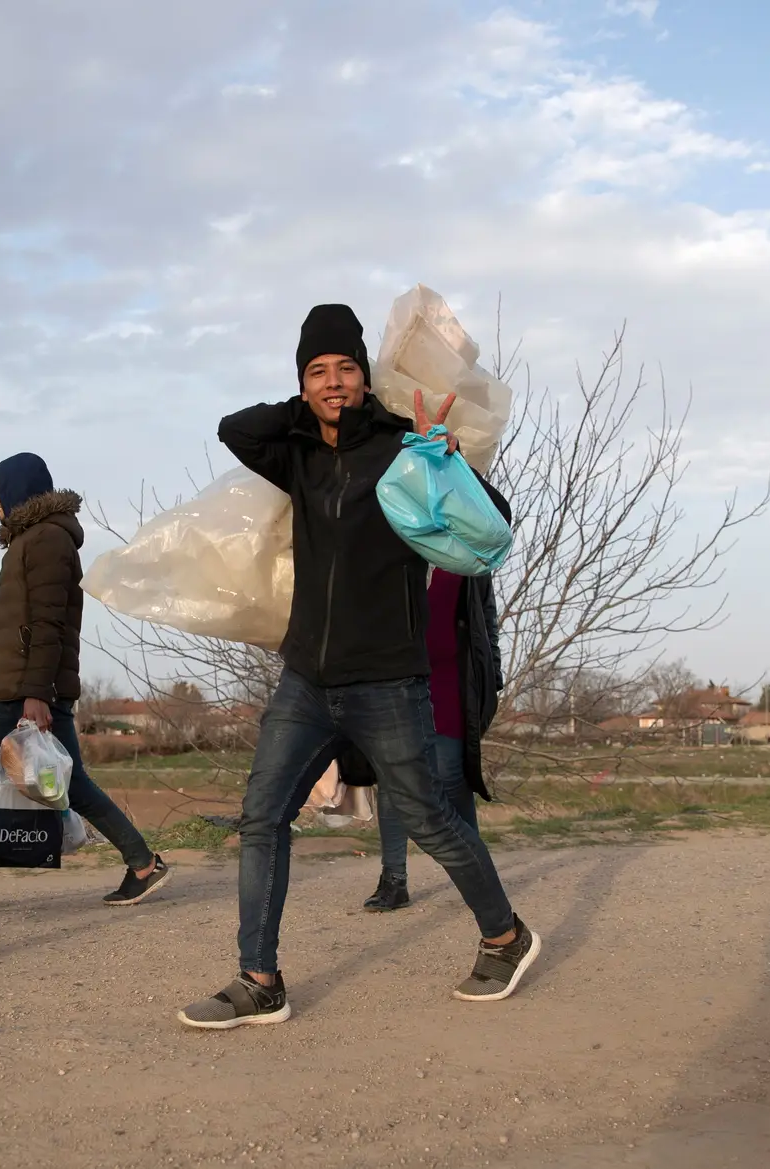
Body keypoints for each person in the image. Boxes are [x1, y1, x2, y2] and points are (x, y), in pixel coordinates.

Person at [177, 303, 538, 1030]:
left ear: (366, 374)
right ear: (303, 380)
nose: (334, 382)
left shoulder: (404, 444)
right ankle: (260, 978)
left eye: (346, 368)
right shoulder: (299, 451)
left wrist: (447, 457)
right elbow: (235, 429)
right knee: (262, 816)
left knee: (432, 820)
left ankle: (506, 935)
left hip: (387, 678)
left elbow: (494, 517)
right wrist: (308, 408)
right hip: (307, 676)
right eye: (318, 371)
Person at [0, 452, 170, 913]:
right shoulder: (35, 539)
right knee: (73, 783)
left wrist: (35, 694)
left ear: (21, 488)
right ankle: (144, 864)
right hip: (24, 685)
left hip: (23, 690)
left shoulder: (47, 539)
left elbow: (47, 625)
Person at [358, 551, 509, 912]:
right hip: (398, 678)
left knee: (451, 777)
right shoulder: (394, 542)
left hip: (450, 682)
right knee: (393, 779)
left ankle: (476, 875)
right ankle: (394, 880)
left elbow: (485, 616)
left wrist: (494, 673)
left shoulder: (466, 552)